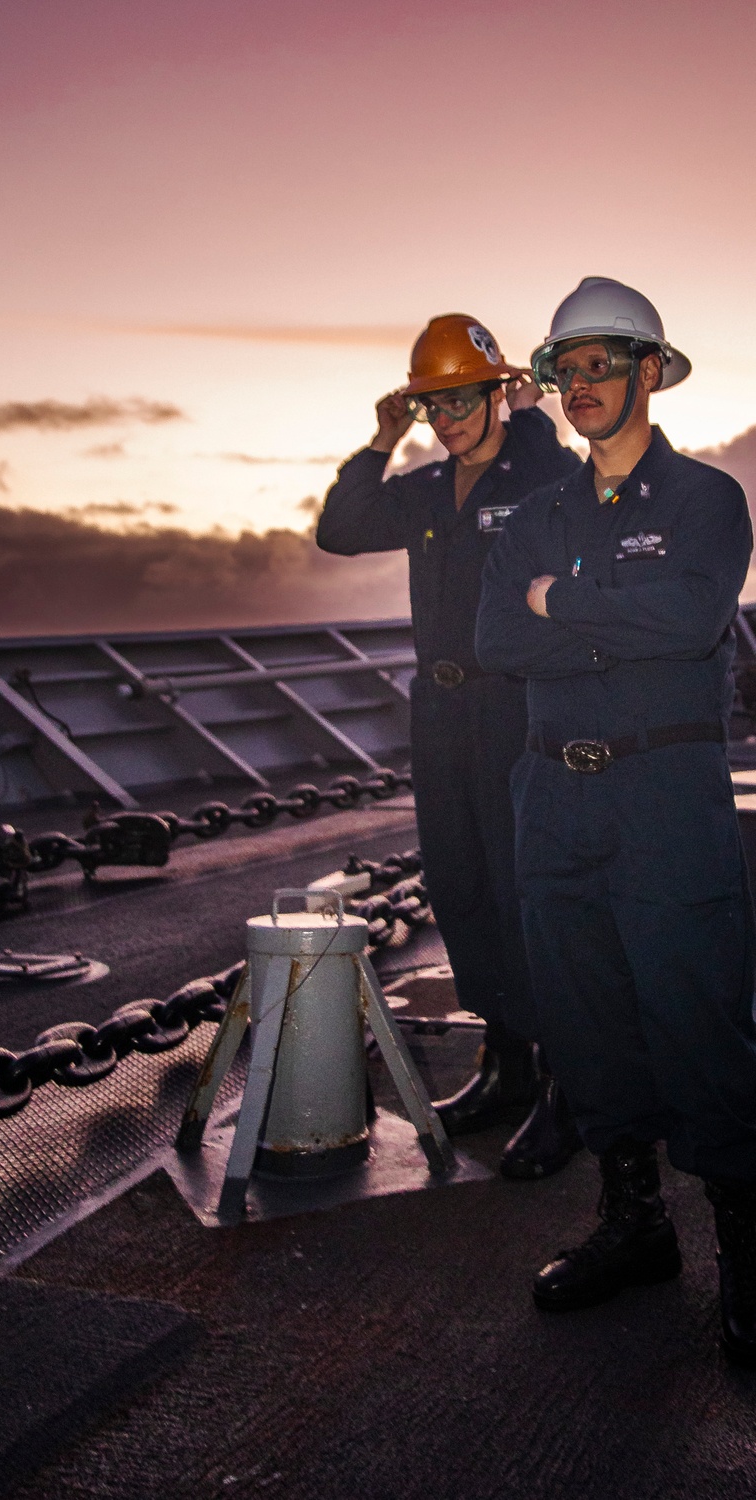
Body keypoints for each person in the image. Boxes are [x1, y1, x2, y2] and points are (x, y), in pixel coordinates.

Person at [476, 276, 756, 1367]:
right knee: (586, 1015)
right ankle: (634, 1227)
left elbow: (690, 622)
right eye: (564, 369)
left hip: (662, 795)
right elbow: (499, 638)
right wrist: (595, 622)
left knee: (697, 1015)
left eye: (601, 364)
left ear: (648, 370)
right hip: (551, 795)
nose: (579, 385)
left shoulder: (704, 500)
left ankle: (742, 1250)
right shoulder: (536, 512)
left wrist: (563, 605)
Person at [317, 313, 582, 1179]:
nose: (450, 416)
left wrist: (533, 413)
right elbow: (342, 526)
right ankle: (505, 1063)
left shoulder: (538, 469)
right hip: (440, 712)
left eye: (465, 396)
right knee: (462, 885)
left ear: (497, 391)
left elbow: (568, 481)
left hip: (516, 707)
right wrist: (379, 441)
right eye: (433, 403)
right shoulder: (427, 490)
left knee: (528, 891)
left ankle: (567, 1087)